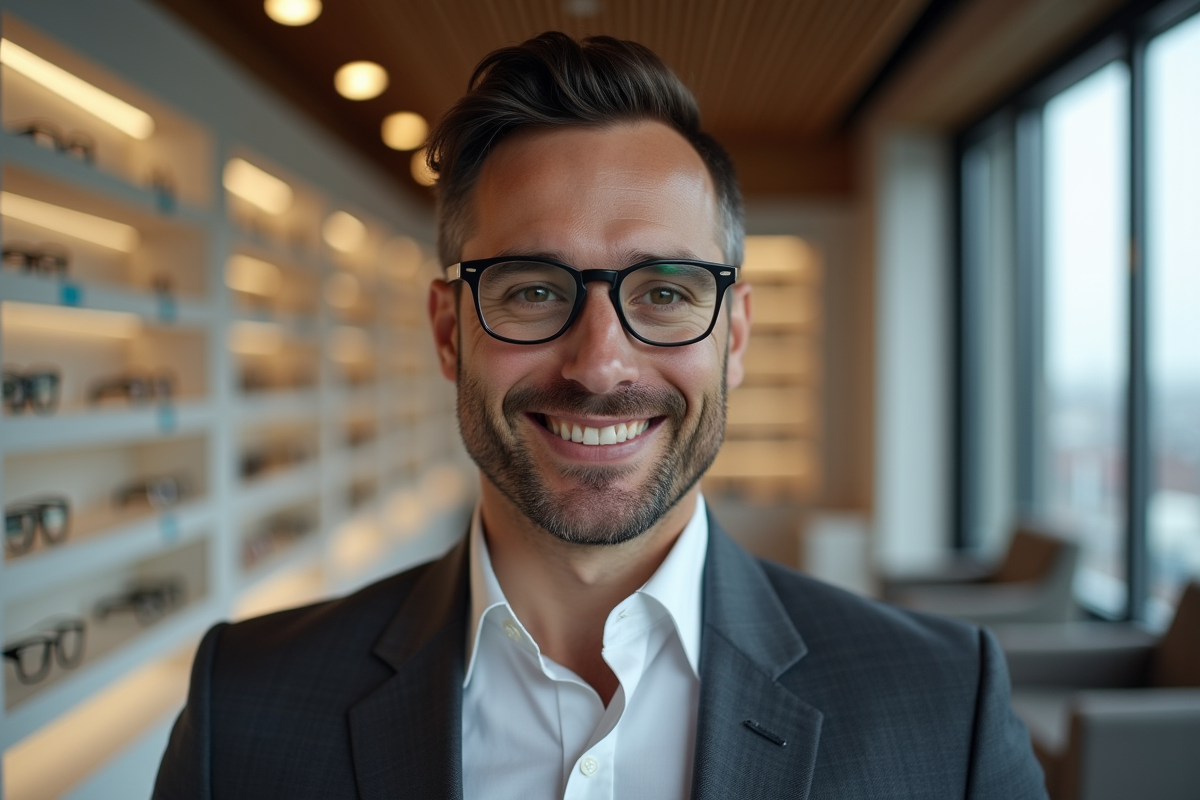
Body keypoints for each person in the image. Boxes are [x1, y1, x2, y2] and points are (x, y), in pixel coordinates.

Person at [153, 32, 1047, 800]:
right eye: (534, 291)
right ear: (447, 331)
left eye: (662, 291)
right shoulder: (246, 708)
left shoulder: (941, 708)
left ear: (733, 337)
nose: (600, 364)